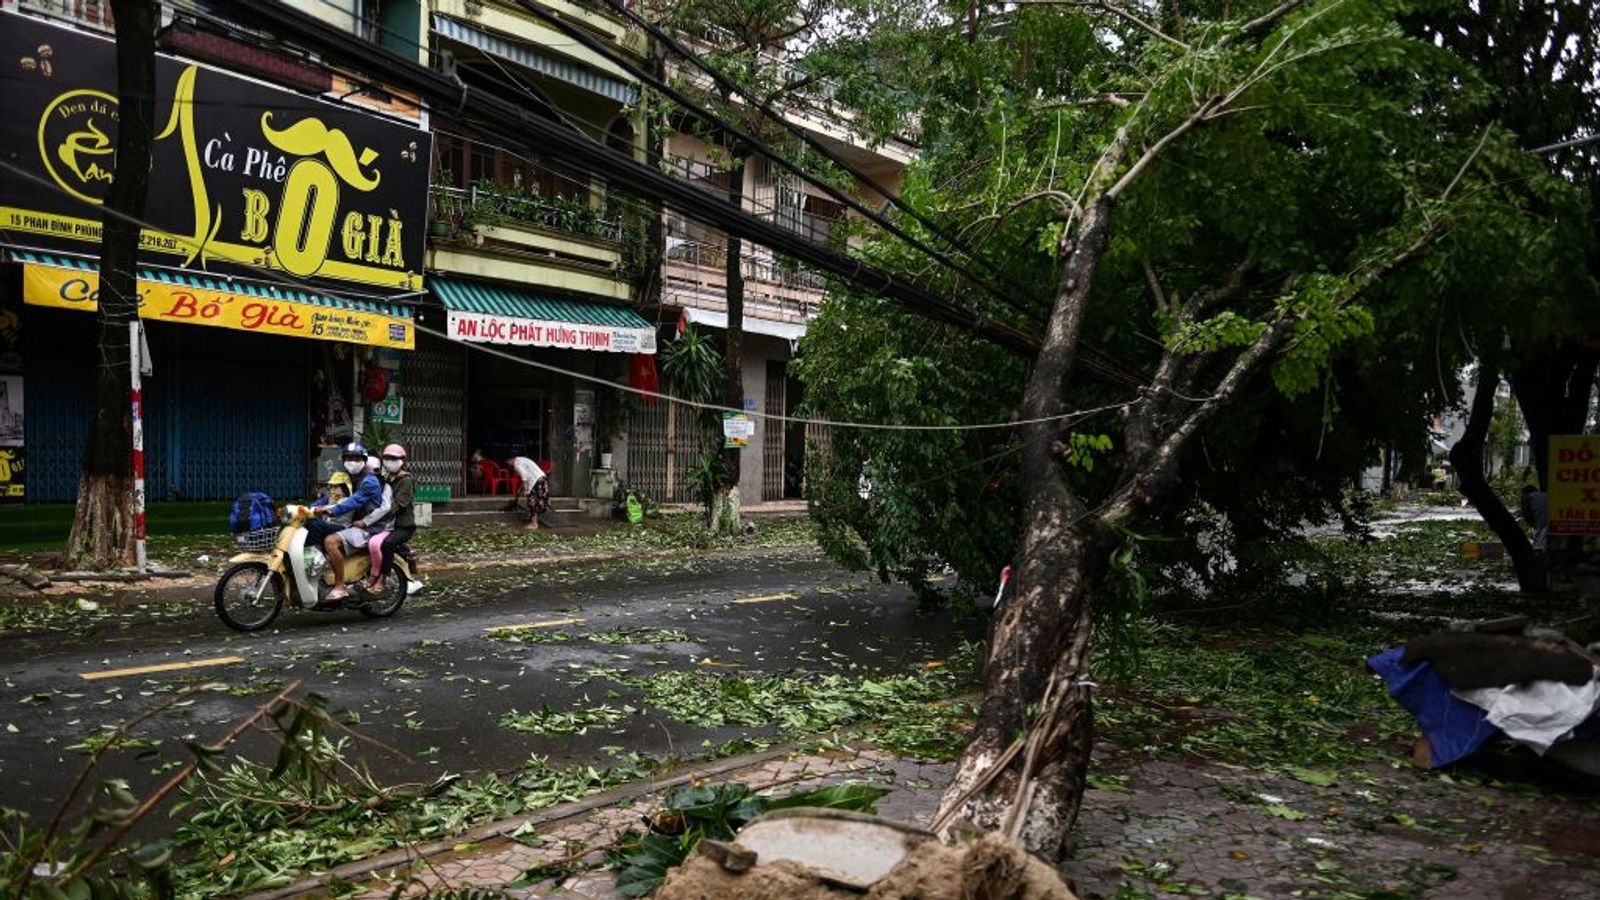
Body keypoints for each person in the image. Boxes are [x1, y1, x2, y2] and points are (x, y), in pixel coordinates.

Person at [309, 442, 383, 605]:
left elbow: (353, 501)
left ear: (364, 460)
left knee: (331, 541)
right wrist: (307, 508)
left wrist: (331, 510)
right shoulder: (350, 478)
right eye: (348, 458)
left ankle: (340, 586)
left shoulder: (369, 481)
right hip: (355, 524)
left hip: (370, 527)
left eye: (356, 458)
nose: (352, 462)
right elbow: (328, 497)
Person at [362, 443, 418, 592]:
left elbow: (399, 505)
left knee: (387, 544)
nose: (389, 461)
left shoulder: (406, 480)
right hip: (386, 524)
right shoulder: (386, 478)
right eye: (386, 458)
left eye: (393, 458)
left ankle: (382, 578)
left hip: (403, 526)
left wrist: (376, 516)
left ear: (402, 460)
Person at [507, 454, 549, 529]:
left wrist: (526, 489)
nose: (510, 465)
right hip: (542, 478)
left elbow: (524, 477)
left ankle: (534, 524)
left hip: (535, 481)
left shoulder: (517, 463)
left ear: (511, 460)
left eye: (509, 463)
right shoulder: (522, 459)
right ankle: (534, 520)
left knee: (532, 502)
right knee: (540, 500)